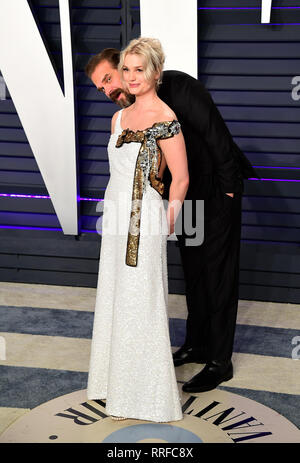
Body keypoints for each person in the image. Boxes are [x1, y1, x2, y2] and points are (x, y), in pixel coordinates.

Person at [85, 44, 257, 394]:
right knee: (194, 272)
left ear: (129, 66)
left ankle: (220, 362)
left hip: (216, 192)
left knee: (219, 274)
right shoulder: (129, 112)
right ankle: (197, 344)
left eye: (108, 79)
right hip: (186, 199)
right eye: (101, 88)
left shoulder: (180, 88)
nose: (109, 90)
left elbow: (218, 139)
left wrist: (227, 194)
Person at [87, 37, 189, 422]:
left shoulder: (166, 119)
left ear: (155, 73)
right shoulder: (118, 118)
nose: (130, 77)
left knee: (142, 301)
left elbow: (180, 177)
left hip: (144, 217)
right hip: (114, 215)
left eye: (138, 69)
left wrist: (167, 220)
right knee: (116, 296)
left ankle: (147, 395)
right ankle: (114, 384)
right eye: (125, 69)